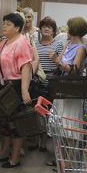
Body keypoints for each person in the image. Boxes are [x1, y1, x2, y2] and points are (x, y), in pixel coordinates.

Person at [0, 13, 35, 168]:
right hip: (4, 86)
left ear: (17, 28)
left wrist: (24, 91)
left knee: (16, 123)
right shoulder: (3, 42)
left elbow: (26, 67)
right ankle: (3, 152)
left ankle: (15, 159)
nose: (4, 26)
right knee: (5, 122)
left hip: (16, 86)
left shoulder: (22, 43)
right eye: (4, 23)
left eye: (8, 24)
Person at [49, 16, 87, 122]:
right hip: (62, 87)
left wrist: (57, 61)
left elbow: (74, 70)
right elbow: (59, 61)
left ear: (74, 29)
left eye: (68, 27)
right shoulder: (68, 44)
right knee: (59, 119)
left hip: (72, 90)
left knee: (68, 120)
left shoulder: (81, 48)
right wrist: (55, 59)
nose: (67, 30)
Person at [33, 16, 63, 152]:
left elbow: (62, 64)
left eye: (49, 27)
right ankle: (36, 139)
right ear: (40, 29)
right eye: (44, 26)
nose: (46, 29)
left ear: (53, 31)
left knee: (47, 112)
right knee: (36, 111)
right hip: (37, 81)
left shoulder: (58, 45)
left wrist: (55, 59)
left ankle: (44, 141)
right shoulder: (35, 44)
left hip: (51, 83)